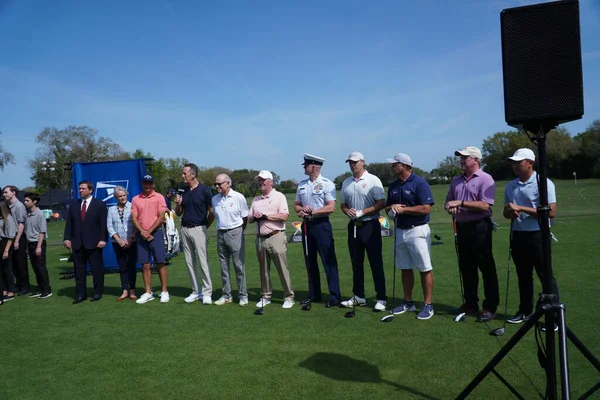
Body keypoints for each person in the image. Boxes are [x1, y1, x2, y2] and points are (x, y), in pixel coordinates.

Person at [504, 148, 559, 324]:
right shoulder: (511, 185)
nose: (515, 166)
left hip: (538, 235)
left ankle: (554, 318)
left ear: (530, 163)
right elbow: (507, 211)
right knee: (523, 275)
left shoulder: (544, 183)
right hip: (518, 235)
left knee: (546, 276)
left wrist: (520, 208)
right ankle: (525, 310)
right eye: (513, 163)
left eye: (518, 163)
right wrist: (510, 212)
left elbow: (551, 212)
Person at [445, 146, 499, 322]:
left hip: (480, 227)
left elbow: (485, 205)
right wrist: (450, 206)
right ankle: (470, 302)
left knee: (486, 266)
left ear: (475, 159)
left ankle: (490, 306)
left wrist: (459, 202)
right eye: (461, 157)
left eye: (465, 157)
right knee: (466, 267)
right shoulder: (456, 180)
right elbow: (448, 203)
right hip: (461, 227)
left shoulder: (486, 179)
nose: (461, 160)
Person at [384, 153, 435, 319]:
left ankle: (428, 304)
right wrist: (393, 207)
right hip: (400, 230)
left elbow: (425, 208)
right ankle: (408, 302)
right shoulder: (393, 186)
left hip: (417, 229)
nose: (392, 167)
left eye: (394, 165)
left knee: (424, 267)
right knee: (404, 266)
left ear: (404, 166)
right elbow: (386, 208)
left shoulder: (419, 182)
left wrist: (404, 209)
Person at [339, 152, 387, 311]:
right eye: (350, 163)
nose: (353, 165)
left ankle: (381, 298)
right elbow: (343, 204)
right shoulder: (346, 182)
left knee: (375, 263)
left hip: (370, 225)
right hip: (353, 226)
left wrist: (363, 212)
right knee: (356, 263)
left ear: (363, 162)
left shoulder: (373, 179)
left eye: (355, 162)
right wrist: (348, 212)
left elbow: (381, 203)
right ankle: (358, 296)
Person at [293, 154, 341, 308]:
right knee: (310, 260)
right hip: (306, 225)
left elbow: (330, 207)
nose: (304, 167)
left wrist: (312, 212)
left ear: (313, 166)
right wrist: (302, 210)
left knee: (328, 261)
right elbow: (296, 206)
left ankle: (334, 296)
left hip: (321, 225)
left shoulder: (326, 184)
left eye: (306, 165)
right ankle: (314, 294)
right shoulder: (302, 185)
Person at [249, 170, 294, 309]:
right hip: (260, 238)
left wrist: (266, 216)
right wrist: (255, 216)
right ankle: (265, 296)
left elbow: (284, 216)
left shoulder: (279, 196)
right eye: (259, 180)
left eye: (263, 180)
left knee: (282, 268)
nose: (260, 182)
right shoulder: (256, 200)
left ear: (271, 181)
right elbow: (249, 218)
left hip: (276, 236)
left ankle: (289, 297)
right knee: (264, 270)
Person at [174, 163, 215, 304]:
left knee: (203, 262)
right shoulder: (182, 190)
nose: (182, 176)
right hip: (185, 229)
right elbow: (179, 213)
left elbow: (212, 212)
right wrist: (178, 203)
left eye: (185, 173)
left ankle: (207, 292)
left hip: (199, 229)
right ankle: (196, 291)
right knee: (189, 262)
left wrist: (204, 227)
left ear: (193, 174)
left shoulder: (205, 190)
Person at [63, 180, 108, 304]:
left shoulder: (99, 204)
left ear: (90, 190)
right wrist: (67, 238)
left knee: (97, 270)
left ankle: (97, 292)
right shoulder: (74, 205)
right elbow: (69, 224)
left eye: (83, 188)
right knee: (79, 271)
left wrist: (103, 239)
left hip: (94, 243)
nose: (81, 190)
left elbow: (103, 224)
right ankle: (80, 294)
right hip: (77, 243)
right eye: (80, 189)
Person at [212, 174, 249, 306]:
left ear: (228, 183)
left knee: (238, 265)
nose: (216, 186)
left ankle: (243, 295)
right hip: (220, 233)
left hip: (235, 231)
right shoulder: (214, 199)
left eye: (219, 184)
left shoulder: (238, 197)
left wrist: (238, 231)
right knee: (223, 267)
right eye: (215, 184)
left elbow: (245, 218)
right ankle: (226, 295)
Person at [132, 175, 169, 304]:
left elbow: (161, 217)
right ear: (142, 184)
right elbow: (134, 218)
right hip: (142, 235)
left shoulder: (159, 197)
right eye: (145, 183)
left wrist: (149, 231)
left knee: (160, 263)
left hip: (156, 233)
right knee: (145, 265)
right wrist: (143, 232)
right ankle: (148, 292)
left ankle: (164, 291)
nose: (147, 186)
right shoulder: (136, 199)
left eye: (149, 183)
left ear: (153, 184)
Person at [107, 186, 137, 301]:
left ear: (127, 195)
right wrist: (119, 240)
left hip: (132, 242)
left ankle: (132, 290)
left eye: (124, 195)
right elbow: (109, 226)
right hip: (117, 243)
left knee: (132, 266)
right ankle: (125, 290)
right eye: (119, 196)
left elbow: (137, 224)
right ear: (116, 197)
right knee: (122, 267)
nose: (122, 198)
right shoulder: (111, 210)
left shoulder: (133, 207)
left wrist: (131, 239)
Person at [23, 193, 52, 299]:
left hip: (38, 243)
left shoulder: (39, 214)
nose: (25, 202)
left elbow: (42, 232)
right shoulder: (29, 214)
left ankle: (47, 289)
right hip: (30, 243)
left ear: (34, 201)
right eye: (25, 201)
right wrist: (27, 246)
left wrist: (39, 246)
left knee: (41, 267)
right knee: (35, 268)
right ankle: (40, 289)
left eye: (27, 200)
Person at [3, 186, 29, 295]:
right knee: (13, 263)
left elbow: (21, 223)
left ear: (13, 193)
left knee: (20, 262)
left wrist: (17, 239)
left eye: (6, 192)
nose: (4, 194)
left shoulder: (19, 206)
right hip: (12, 237)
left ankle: (25, 286)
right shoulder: (8, 205)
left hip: (19, 237)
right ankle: (18, 284)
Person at [0, 199, 17, 304]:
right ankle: (4, 289)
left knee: (7, 268)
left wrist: (6, 250)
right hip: (1, 242)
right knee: (1, 269)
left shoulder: (9, 219)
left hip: (6, 243)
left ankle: (11, 290)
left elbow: (11, 236)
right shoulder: (1, 218)